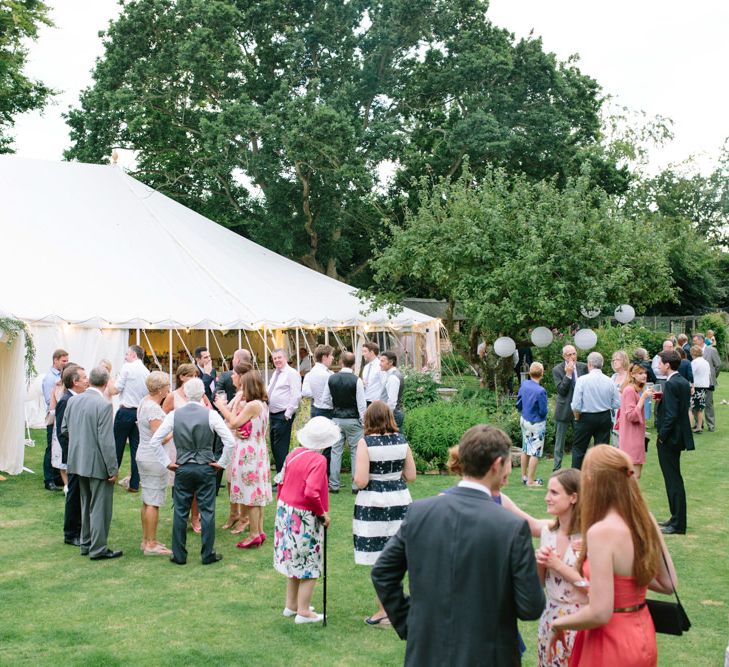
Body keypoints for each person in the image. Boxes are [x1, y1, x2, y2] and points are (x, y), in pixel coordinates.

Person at [371, 424, 545, 666]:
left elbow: (382, 573)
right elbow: (530, 607)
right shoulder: (511, 527)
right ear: (497, 465)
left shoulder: (419, 513)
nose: (509, 471)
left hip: (427, 653)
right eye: (508, 464)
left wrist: (411, 622)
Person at [548, 446, 678, 667]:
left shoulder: (602, 532)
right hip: (642, 634)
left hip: (611, 641)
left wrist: (558, 624)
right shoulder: (644, 519)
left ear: (593, 482)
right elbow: (668, 583)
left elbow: (600, 612)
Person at [147, 378, 236, 565]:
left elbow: (155, 441)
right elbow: (230, 441)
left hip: (183, 467)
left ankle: (179, 555)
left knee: (180, 511)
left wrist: (167, 462)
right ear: (202, 393)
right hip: (205, 467)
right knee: (208, 511)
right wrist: (221, 463)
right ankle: (207, 554)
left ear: (186, 394)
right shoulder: (210, 415)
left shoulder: (174, 415)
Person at [502, 469, 583, 667]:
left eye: (554, 493)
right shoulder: (548, 532)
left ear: (573, 497)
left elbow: (590, 585)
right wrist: (540, 564)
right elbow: (540, 584)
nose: (547, 498)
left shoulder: (588, 536)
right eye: (548, 492)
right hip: (550, 617)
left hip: (581, 620)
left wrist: (557, 565)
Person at [353, 401, 415, 625]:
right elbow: (411, 475)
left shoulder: (366, 443)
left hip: (374, 502)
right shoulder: (401, 441)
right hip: (400, 499)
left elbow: (361, 480)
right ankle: (395, 608)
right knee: (396, 555)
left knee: (380, 558)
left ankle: (384, 612)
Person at [273, 417, 339, 625]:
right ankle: (303, 612)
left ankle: (291, 605)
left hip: (286, 512)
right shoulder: (319, 461)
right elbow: (311, 492)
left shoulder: (293, 454)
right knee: (309, 563)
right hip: (303, 515)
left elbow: (281, 481)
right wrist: (322, 515)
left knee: (294, 560)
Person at [61, 366, 122, 560]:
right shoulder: (103, 405)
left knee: (85, 503)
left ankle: (86, 543)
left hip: (78, 461)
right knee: (100, 507)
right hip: (97, 463)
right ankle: (98, 548)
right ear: (105, 383)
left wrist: (81, 444)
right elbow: (106, 441)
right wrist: (113, 468)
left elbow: (64, 429)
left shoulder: (73, 400)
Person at [215, 370, 272, 548]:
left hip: (249, 453)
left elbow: (233, 422)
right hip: (258, 449)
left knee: (252, 494)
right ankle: (260, 531)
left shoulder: (252, 405)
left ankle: (254, 533)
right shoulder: (261, 404)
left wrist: (224, 407)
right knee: (257, 492)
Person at [162, 362, 209, 533]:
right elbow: (163, 418)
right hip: (178, 444)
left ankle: (195, 517)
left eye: (196, 376)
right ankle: (181, 515)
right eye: (191, 375)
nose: (194, 379)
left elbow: (210, 413)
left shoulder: (200, 394)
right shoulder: (172, 396)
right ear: (182, 377)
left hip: (199, 444)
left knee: (197, 485)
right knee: (181, 483)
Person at [654, 350, 694, 535]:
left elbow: (671, 415)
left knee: (673, 480)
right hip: (678, 436)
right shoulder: (682, 381)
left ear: (667, 365)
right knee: (673, 478)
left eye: (660, 363)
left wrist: (661, 436)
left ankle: (678, 524)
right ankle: (675, 517)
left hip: (670, 438)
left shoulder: (671, 384)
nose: (658, 366)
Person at [135, 371, 173, 556]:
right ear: (159, 389)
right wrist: (175, 428)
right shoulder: (153, 409)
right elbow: (161, 438)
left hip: (144, 454)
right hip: (153, 458)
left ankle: (147, 539)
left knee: (147, 499)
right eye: (167, 386)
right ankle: (150, 544)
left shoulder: (144, 401)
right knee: (153, 501)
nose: (169, 389)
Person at [321, 350, 367, 494]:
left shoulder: (332, 379)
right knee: (355, 452)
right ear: (353, 364)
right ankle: (355, 485)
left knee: (336, 452)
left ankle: (334, 485)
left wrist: (335, 407)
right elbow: (361, 405)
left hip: (336, 419)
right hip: (353, 420)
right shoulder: (357, 380)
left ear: (341, 362)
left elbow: (325, 400)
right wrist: (363, 421)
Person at [108, 345, 149, 493]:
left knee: (117, 446)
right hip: (139, 413)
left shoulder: (127, 368)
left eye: (126, 354)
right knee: (136, 448)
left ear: (133, 354)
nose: (125, 357)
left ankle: (111, 478)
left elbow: (115, 390)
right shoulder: (146, 372)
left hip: (125, 411)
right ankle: (134, 483)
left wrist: (109, 380)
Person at [219, 361, 254, 533]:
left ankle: (244, 517)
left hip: (238, 442)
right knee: (231, 480)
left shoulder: (244, 397)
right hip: (231, 443)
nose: (231, 376)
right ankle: (234, 513)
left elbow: (235, 422)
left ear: (241, 377)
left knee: (240, 481)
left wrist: (219, 406)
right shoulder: (238, 394)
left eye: (234, 374)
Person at [570, 352, 620, 470]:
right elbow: (617, 403)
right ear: (602, 364)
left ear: (589, 364)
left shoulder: (582, 380)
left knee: (579, 449)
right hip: (604, 417)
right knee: (601, 451)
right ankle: (600, 478)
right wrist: (607, 404)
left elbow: (576, 404)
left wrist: (577, 415)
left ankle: (576, 478)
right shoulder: (609, 381)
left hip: (585, 417)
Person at [56, 364, 88, 546]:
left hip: (80, 455)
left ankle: (80, 528)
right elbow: (62, 433)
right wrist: (72, 457)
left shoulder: (78, 398)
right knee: (74, 494)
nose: (87, 380)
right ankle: (71, 533)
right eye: (84, 378)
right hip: (74, 457)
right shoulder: (65, 401)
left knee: (79, 493)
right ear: (75, 382)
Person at [551, 345, 588, 471]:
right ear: (564, 356)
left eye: (574, 353)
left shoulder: (584, 367)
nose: (572, 357)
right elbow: (561, 390)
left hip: (580, 410)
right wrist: (568, 375)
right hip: (564, 409)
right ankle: (556, 469)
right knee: (559, 443)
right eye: (569, 355)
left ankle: (578, 468)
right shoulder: (557, 370)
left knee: (580, 441)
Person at [267, 348, 302, 473]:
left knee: (281, 448)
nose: (277, 360)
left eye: (279, 357)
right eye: (275, 358)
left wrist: (287, 415)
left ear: (285, 358)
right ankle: (279, 475)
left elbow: (296, 395)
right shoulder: (276, 373)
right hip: (272, 415)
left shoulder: (291, 373)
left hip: (283, 415)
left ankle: (282, 477)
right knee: (274, 447)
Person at [617, 364, 653, 479]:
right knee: (633, 475)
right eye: (640, 373)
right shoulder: (629, 390)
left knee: (634, 475)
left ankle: (629, 496)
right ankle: (630, 497)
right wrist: (643, 398)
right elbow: (631, 415)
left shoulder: (634, 390)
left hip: (635, 436)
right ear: (632, 374)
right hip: (631, 438)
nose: (644, 376)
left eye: (645, 373)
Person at [517, 361, 548, 487]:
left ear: (530, 373)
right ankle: (530, 481)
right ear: (542, 374)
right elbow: (543, 410)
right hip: (536, 423)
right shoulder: (541, 391)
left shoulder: (524, 384)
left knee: (525, 448)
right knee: (535, 452)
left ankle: (524, 476)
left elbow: (518, 402)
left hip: (524, 419)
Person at [42, 348, 68, 491]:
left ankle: (58, 476)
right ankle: (49, 479)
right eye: (63, 361)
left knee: (60, 447)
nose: (65, 363)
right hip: (53, 417)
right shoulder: (50, 378)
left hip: (61, 417)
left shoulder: (62, 376)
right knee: (50, 448)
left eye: (67, 361)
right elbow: (48, 400)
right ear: (55, 360)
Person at [693, 332, 721, 432]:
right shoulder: (694, 351)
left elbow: (718, 365)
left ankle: (711, 425)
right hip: (697, 383)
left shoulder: (711, 350)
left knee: (708, 403)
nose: (694, 343)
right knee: (696, 404)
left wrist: (713, 377)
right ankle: (699, 424)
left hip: (709, 382)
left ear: (701, 340)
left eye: (695, 341)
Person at [301, 344, 334, 418]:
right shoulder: (327, 375)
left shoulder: (310, 373)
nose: (333, 358)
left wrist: (316, 395)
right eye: (331, 355)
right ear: (324, 357)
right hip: (326, 410)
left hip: (315, 408)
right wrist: (318, 394)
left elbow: (305, 392)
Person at [609, 351, 630, 446]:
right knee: (615, 442)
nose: (615, 362)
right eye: (613, 360)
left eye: (617, 359)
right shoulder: (613, 377)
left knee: (625, 442)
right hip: (613, 413)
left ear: (624, 361)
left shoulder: (629, 377)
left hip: (624, 413)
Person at [379, 350, 404, 428]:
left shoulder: (393, 377)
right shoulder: (391, 374)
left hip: (392, 415)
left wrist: (387, 418)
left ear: (390, 362)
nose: (380, 364)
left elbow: (392, 401)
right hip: (393, 414)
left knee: (394, 439)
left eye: (382, 361)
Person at [689, 344, 710, 433]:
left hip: (696, 386)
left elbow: (691, 374)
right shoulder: (706, 362)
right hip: (704, 386)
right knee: (700, 408)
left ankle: (689, 426)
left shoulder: (694, 362)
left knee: (690, 407)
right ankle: (699, 426)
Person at [361, 341, 383, 406]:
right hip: (365, 400)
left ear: (372, 352)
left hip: (376, 401)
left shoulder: (380, 366)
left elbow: (384, 384)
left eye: (365, 351)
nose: (363, 354)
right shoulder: (366, 367)